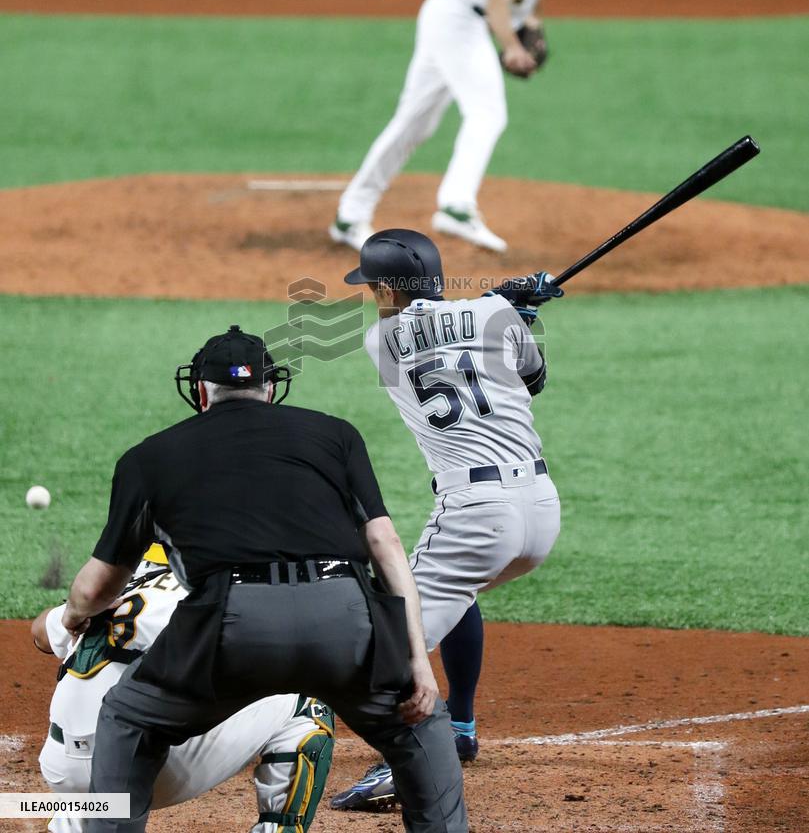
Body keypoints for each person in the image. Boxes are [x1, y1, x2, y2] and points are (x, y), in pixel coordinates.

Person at [60, 324, 466, 833]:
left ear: (201, 391)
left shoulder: (148, 457)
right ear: (270, 387)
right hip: (344, 620)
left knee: (128, 718)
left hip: (231, 631)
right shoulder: (336, 435)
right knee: (418, 722)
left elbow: (96, 589)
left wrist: (75, 615)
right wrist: (416, 662)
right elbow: (385, 547)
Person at [331, 229, 562, 811]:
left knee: (392, 640)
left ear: (386, 288)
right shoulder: (495, 317)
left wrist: (502, 303)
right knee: (459, 594)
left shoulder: (377, 339)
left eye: (371, 287)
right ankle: (458, 726)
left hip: (475, 517)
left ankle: (403, 770)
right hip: (540, 511)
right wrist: (515, 313)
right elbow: (532, 379)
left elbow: (435, 332)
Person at [329, 0, 584, 255]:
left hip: (449, 15)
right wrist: (513, 46)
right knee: (487, 112)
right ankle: (456, 205)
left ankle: (350, 215)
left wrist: (532, 20)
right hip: (460, 21)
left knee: (414, 123)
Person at [33, 543, 334, 833]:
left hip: (62, 770)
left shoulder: (119, 580)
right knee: (308, 696)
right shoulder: (225, 583)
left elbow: (41, 635)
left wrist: (68, 613)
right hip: (143, 771)